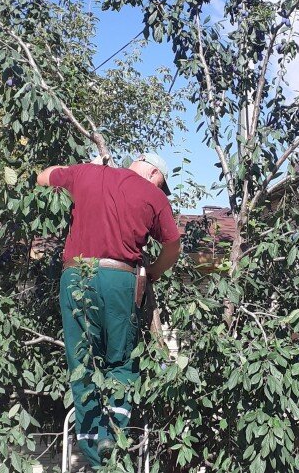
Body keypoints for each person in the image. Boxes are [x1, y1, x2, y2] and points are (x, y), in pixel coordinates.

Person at [37, 153, 181, 468]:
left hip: (77, 276)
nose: (162, 188)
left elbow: (43, 177)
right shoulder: (152, 194)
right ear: (154, 171)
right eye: (162, 182)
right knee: (121, 361)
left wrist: (80, 168)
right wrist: (154, 271)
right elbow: (173, 244)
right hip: (120, 279)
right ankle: (114, 441)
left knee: (82, 362)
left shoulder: (85, 172)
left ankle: (93, 453)